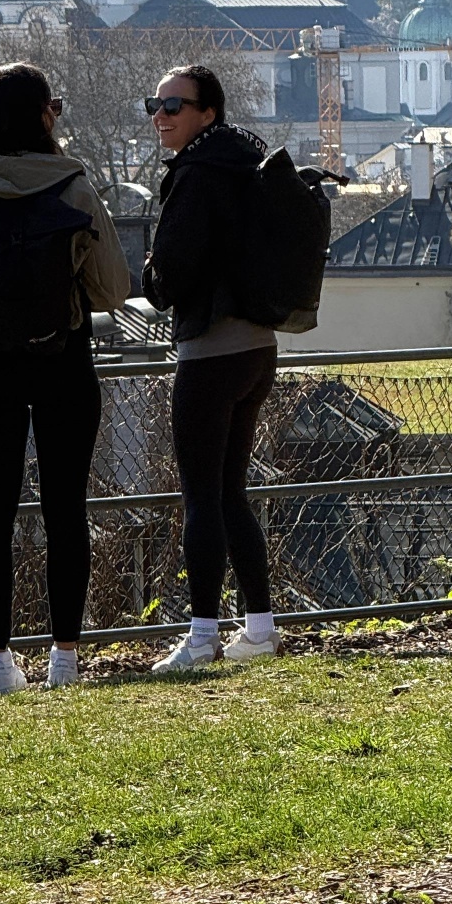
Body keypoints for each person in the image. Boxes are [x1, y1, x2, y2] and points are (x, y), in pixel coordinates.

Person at [0, 62, 130, 695]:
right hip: (64, 360)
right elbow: (112, 289)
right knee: (67, 509)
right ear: (43, 115)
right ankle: (64, 658)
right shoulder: (74, 185)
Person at [140, 64, 280, 673]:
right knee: (230, 493)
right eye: (155, 104)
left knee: (201, 495)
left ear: (207, 113)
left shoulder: (194, 175)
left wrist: (151, 271)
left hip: (210, 352)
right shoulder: (246, 165)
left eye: (174, 105)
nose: (161, 115)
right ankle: (260, 627)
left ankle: (201, 637)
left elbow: (168, 279)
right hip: (258, 348)